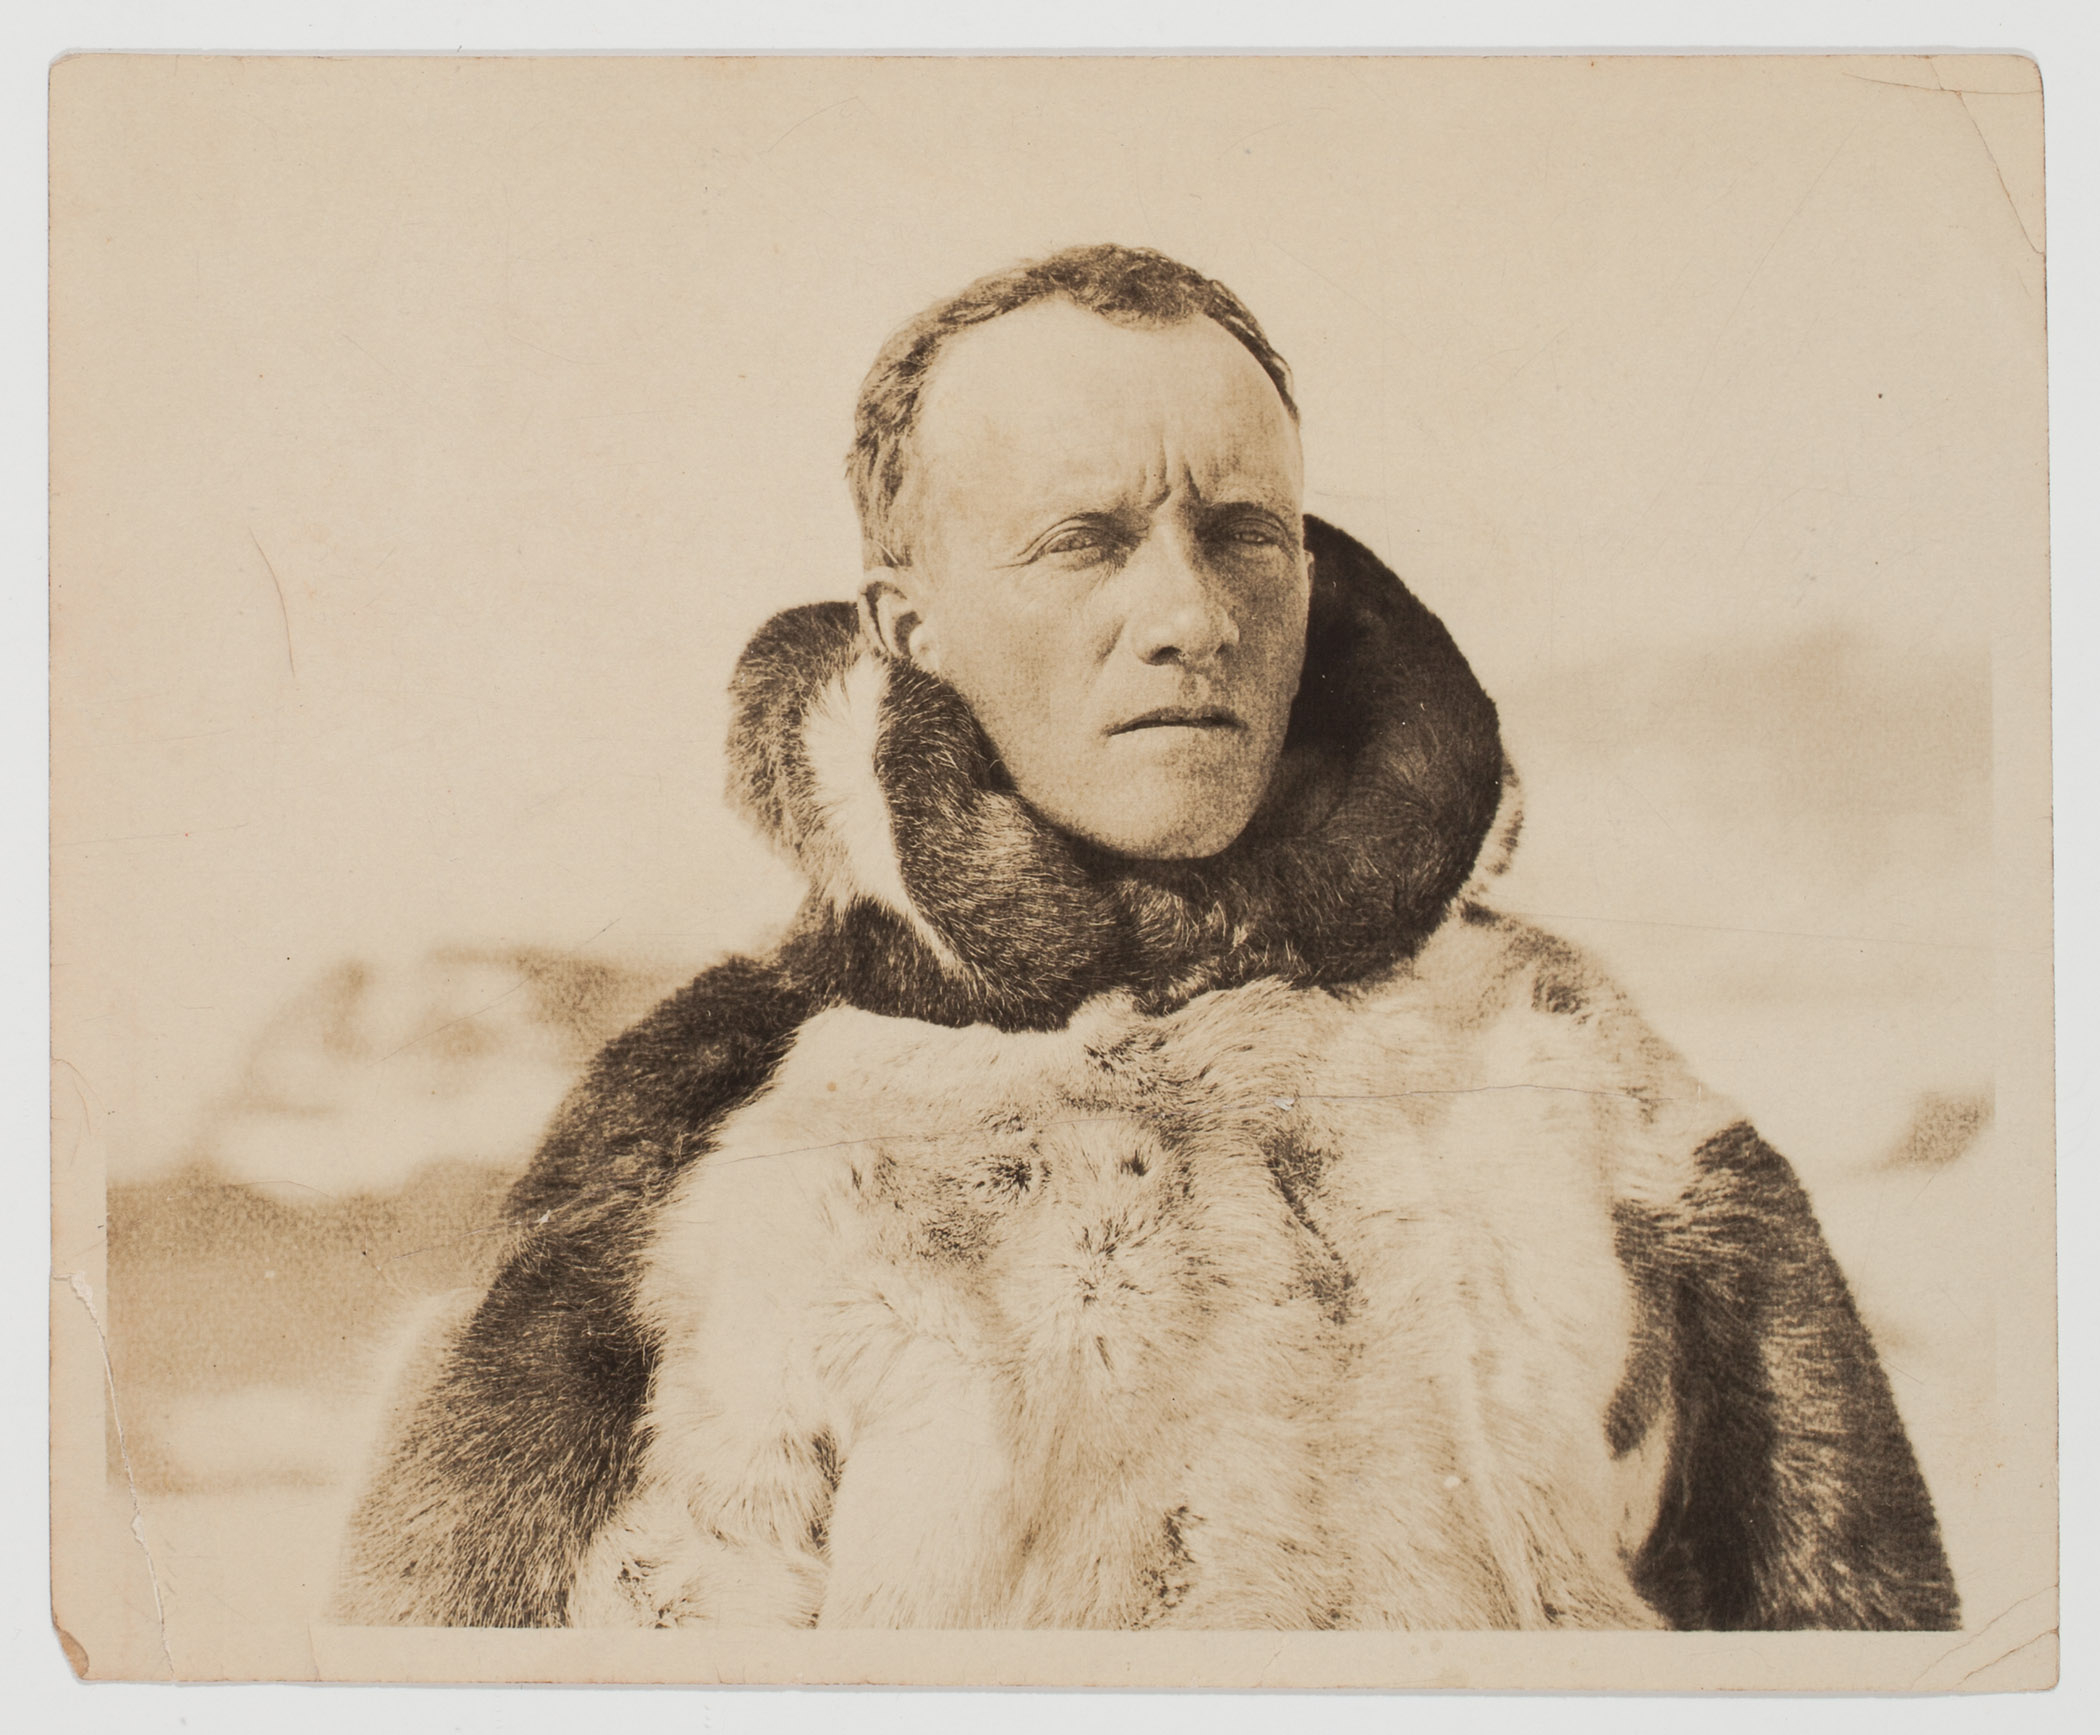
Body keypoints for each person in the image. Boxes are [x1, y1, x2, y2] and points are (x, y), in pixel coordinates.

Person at [336, 243, 1958, 1631]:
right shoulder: (705, 1143)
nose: (1189, 612)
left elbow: (1872, 1673)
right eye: (1084, 541)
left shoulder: (1581, 1082)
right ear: (912, 627)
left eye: (1244, 533)